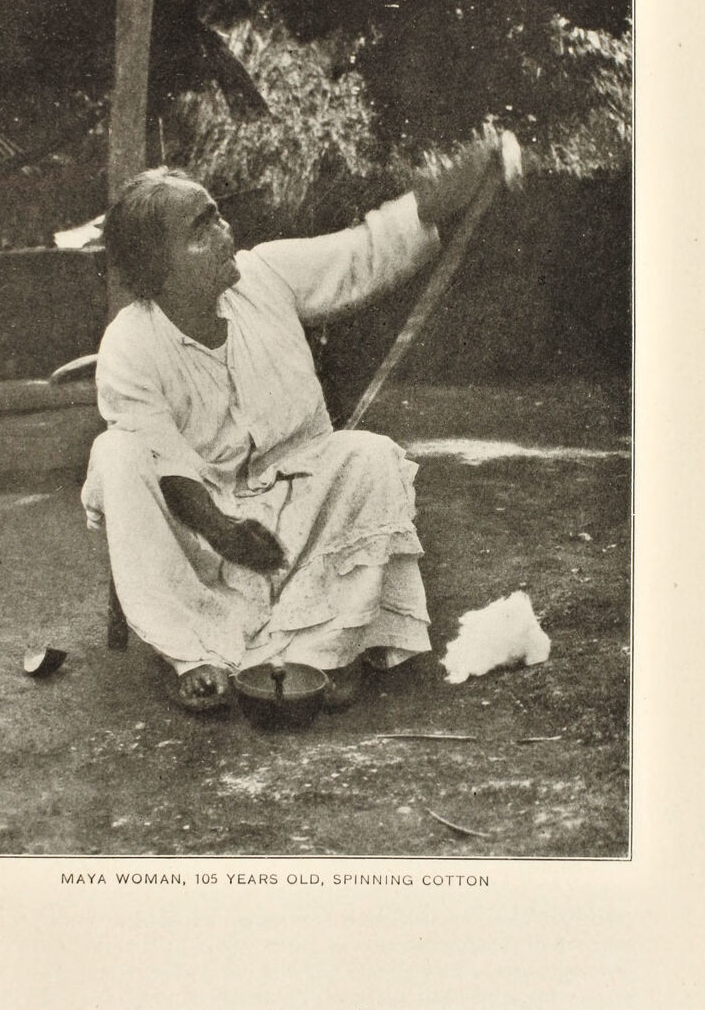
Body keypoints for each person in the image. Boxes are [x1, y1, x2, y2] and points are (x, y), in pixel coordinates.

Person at [81, 134, 511, 711]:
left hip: (297, 499)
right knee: (118, 455)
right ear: (158, 270)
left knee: (370, 455)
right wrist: (223, 531)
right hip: (194, 524)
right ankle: (195, 651)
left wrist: (462, 179)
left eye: (218, 216)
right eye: (201, 229)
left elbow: (365, 251)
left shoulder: (266, 275)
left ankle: (328, 647)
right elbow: (165, 465)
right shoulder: (130, 345)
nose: (226, 232)